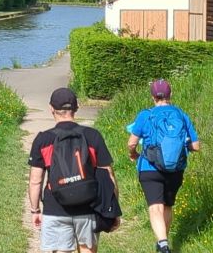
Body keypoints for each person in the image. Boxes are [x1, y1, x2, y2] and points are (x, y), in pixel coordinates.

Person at [28, 88, 118, 253]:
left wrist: (35, 211)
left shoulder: (43, 139)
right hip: (88, 207)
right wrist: (112, 209)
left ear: (51, 109)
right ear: (76, 108)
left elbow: (36, 181)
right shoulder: (92, 136)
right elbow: (108, 176)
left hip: (55, 208)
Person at [125, 79, 200, 253]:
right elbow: (196, 146)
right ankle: (163, 242)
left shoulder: (146, 115)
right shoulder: (181, 115)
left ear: (153, 96)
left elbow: (131, 143)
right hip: (175, 169)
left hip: (149, 168)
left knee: (155, 206)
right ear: (170, 94)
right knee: (167, 205)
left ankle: (163, 244)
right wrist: (181, 147)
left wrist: (133, 154)